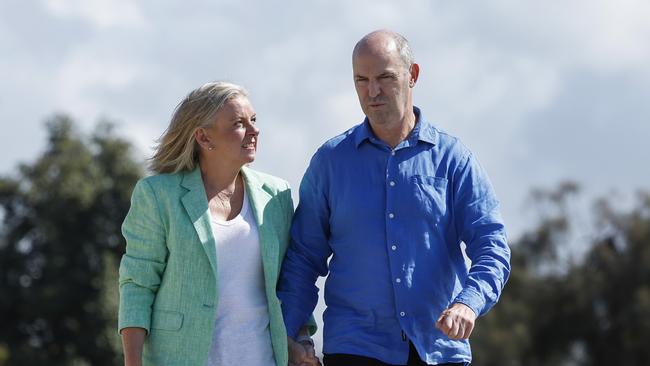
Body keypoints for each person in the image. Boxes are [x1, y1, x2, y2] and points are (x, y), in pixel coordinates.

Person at [277, 30, 511, 365]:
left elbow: (492, 245)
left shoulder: (453, 159)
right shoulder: (330, 162)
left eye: (385, 78)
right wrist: (288, 336)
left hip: (438, 349)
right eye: (362, 79)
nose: (372, 91)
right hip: (355, 349)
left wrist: (468, 303)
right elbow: (302, 259)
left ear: (412, 75)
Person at [118, 81, 320, 366]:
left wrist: (301, 342)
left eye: (254, 120)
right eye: (239, 123)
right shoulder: (157, 195)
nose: (254, 130)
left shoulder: (277, 195)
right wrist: (133, 362)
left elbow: (289, 282)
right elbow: (137, 286)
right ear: (203, 137)